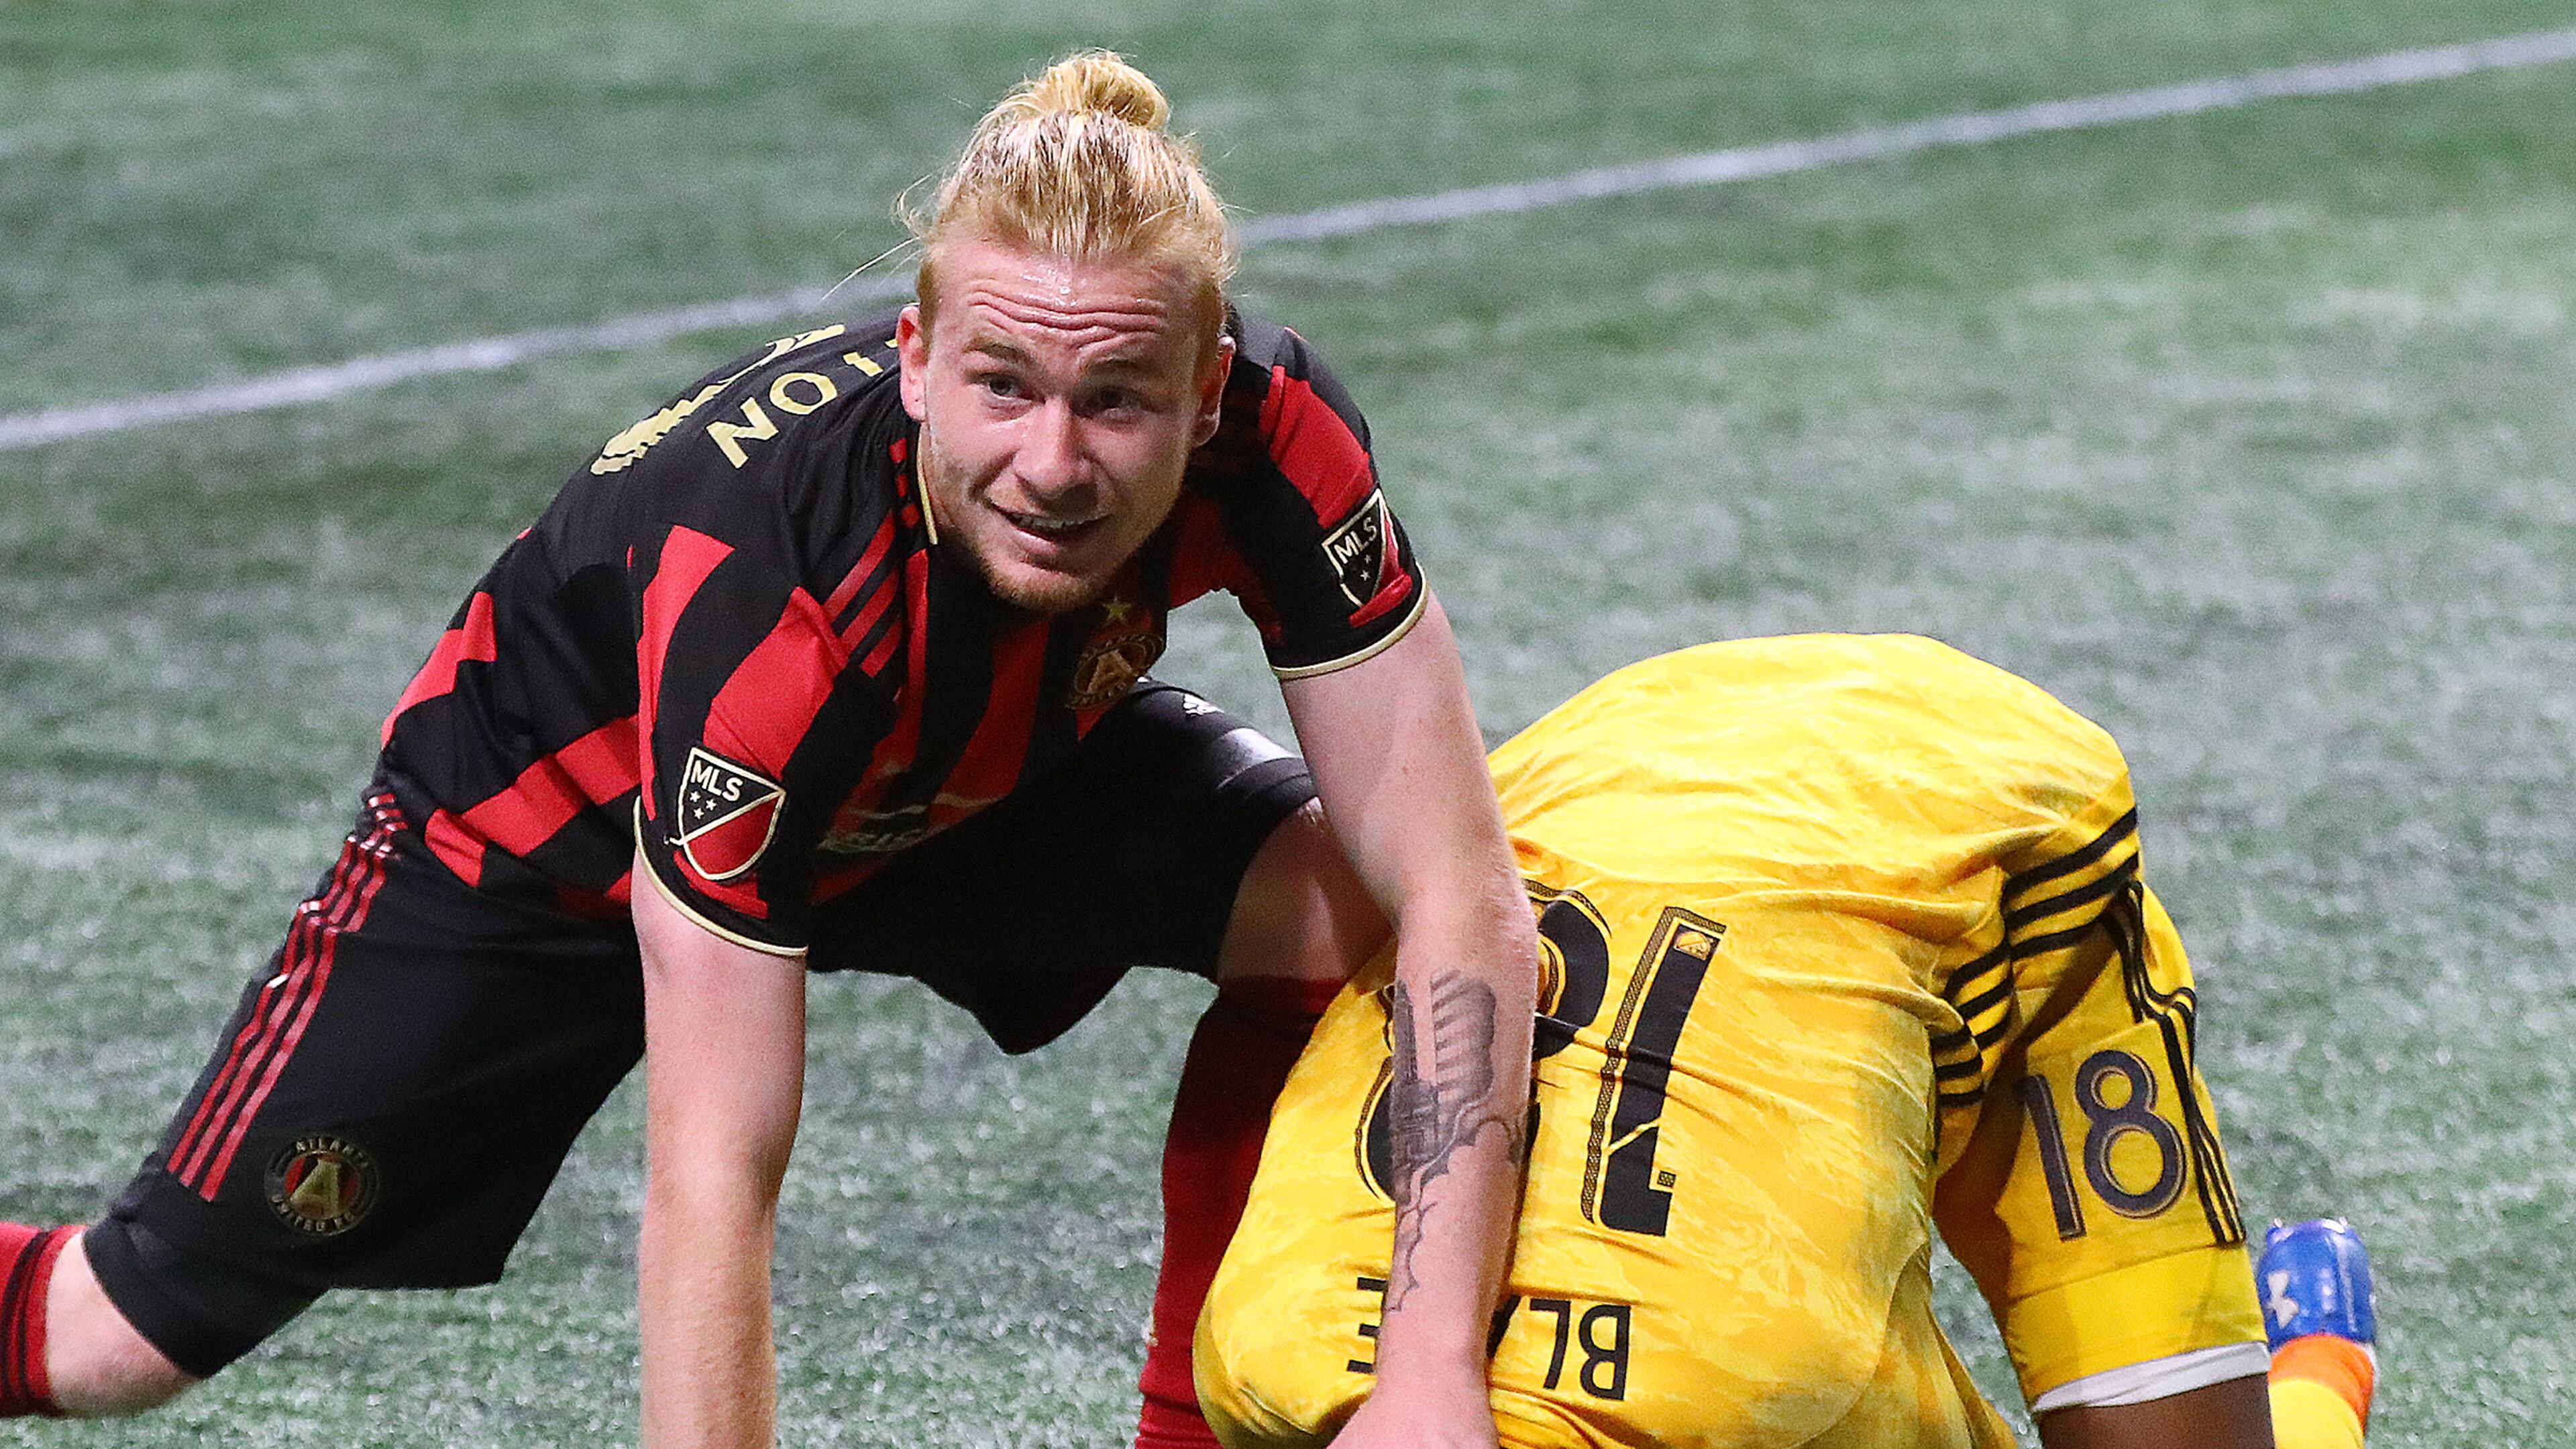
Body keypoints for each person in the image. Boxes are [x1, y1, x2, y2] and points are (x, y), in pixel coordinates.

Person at [0, 52, 1537, 1449]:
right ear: (918, 356)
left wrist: (1427, 1381)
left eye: (1116, 403)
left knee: (1343, 917)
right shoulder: (777, 601)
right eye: (1003, 386)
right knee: (118, 1341)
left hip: (954, 781)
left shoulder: (1280, 443)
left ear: (1206, 395)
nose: (1054, 465)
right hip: (548, 848)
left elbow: (1462, 896)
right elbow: (716, 1172)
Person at [1178, 633, 2379, 1448]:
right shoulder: (1252, 1354)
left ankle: (2320, 1366)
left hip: (1953, 797)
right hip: (1609, 763)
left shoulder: (1778, 1378)